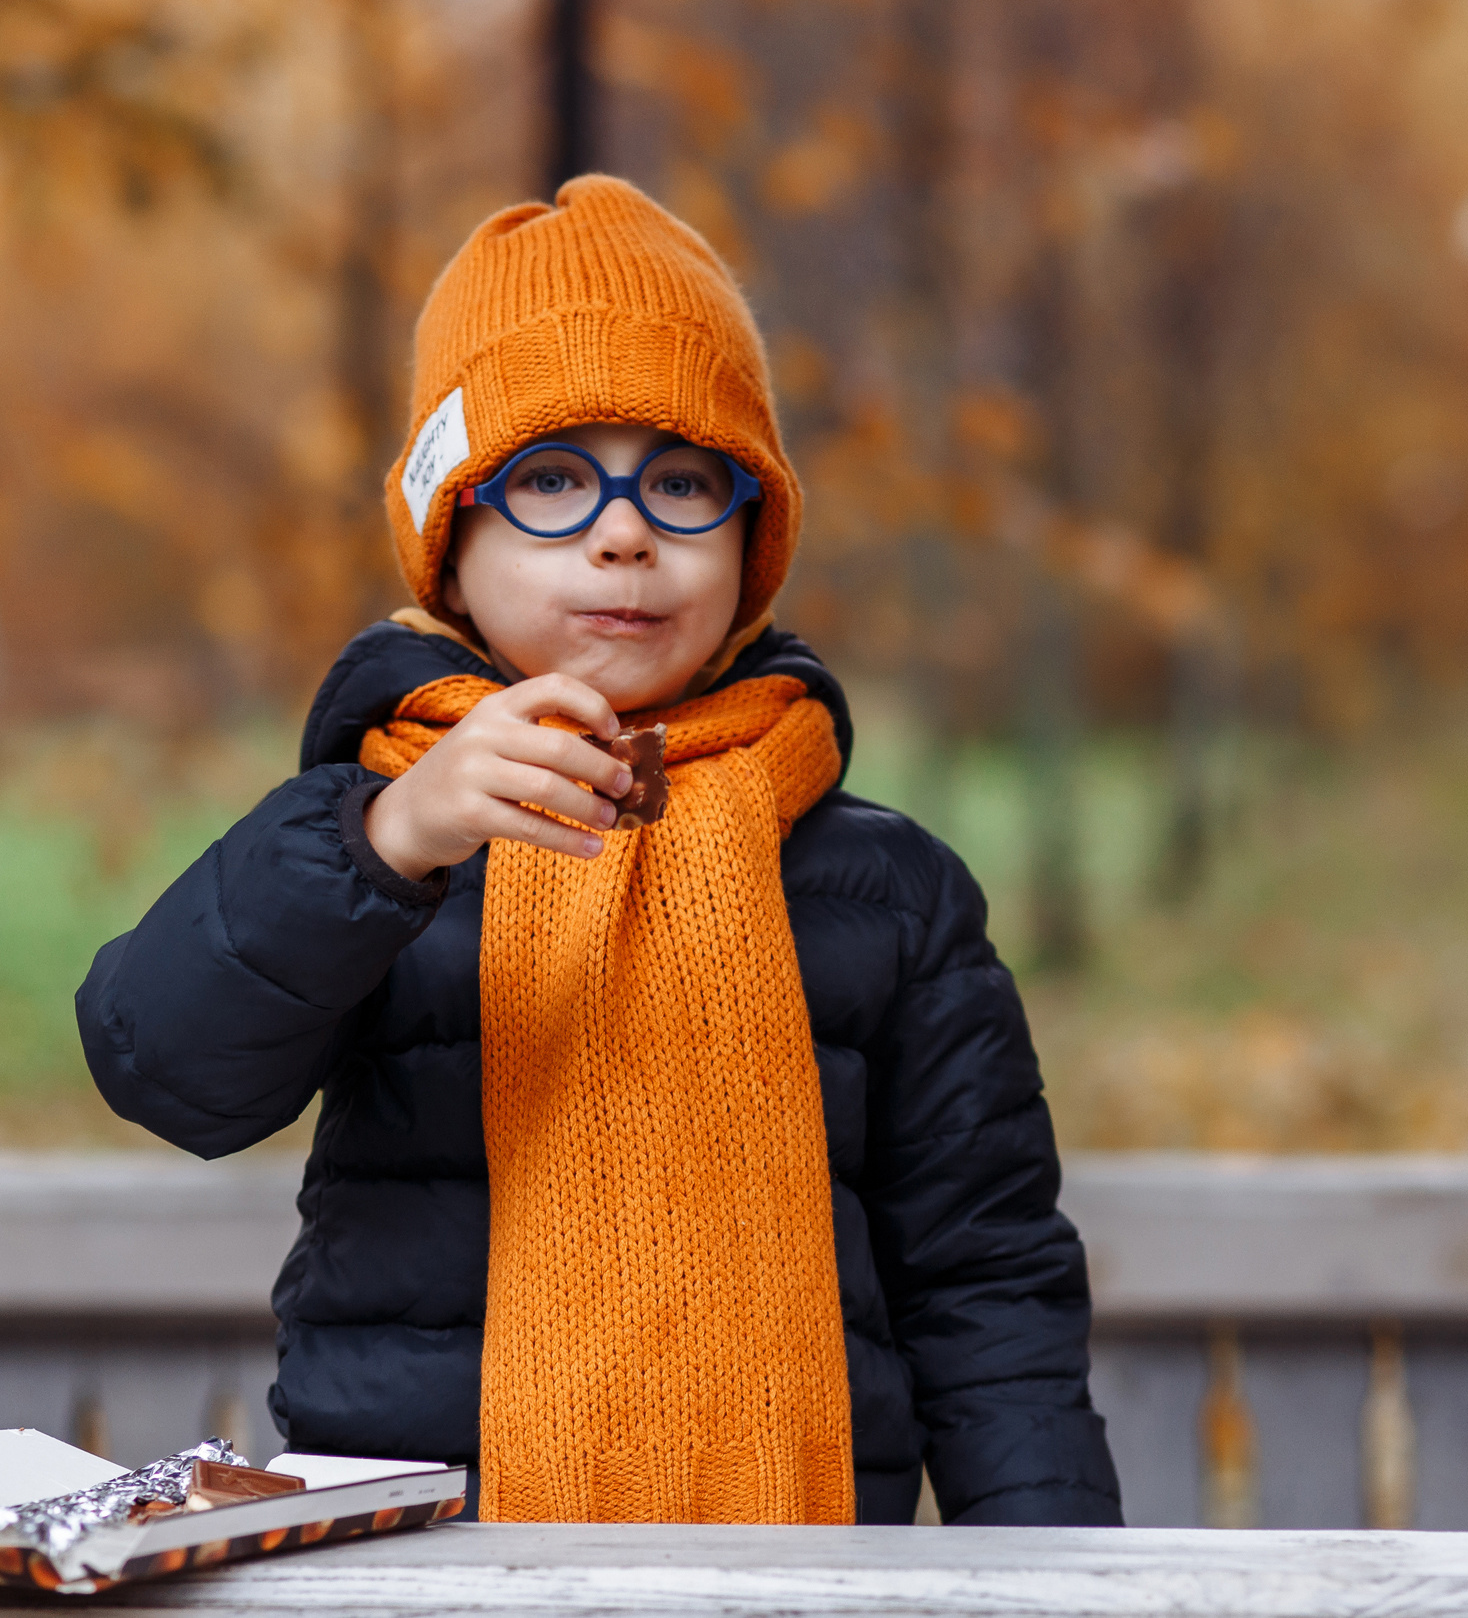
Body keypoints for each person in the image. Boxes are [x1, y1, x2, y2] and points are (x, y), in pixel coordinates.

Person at [78, 176, 1121, 1527]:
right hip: (429, 1562)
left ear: (754, 546)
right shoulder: (375, 837)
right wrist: (390, 844)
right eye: (553, 480)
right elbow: (165, 1069)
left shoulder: (888, 892)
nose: (624, 532)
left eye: (684, 482)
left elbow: (988, 1284)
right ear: (452, 547)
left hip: (805, 1578)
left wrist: (1053, 1583)